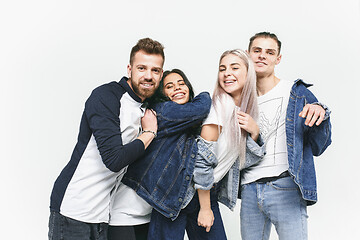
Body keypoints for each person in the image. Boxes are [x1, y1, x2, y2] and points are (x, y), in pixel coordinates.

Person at [48, 38, 165, 240]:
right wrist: (149, 133)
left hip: (103, 214)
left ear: (161, 74)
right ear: (130, 69)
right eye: (142, 68)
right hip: (73, 210)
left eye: (155, 70)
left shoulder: (147, 105)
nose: (148, 76)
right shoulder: (106, 96)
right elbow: (114, 159)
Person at [113, 69, 227, 240]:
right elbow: (203, 103)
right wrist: (204, 95)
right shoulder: (162, 111)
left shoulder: (194, 120)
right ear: (162, 93)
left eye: (182, 84)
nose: (178, 88)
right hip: (168, 199)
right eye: (170, 86)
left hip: (199, 195)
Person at [239, 32, 332, 240]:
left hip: (286, 187)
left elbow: (320, 145)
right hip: (249, 189)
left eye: (269, 52)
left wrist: (321, 112)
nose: (262, 56)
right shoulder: (240, 98)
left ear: (277, 59)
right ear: (247, 55)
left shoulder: (296, 92)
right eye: (257, 51)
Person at [194, 49, 266, 233]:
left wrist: (255, 133)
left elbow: (244, 162)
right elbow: (201, 159)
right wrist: (205, 207)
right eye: (222, 68)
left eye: (234, 67)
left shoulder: (241, 111)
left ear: (248, 72)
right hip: (192, 192)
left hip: (205, 191)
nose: (227, 73)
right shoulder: (221, 105)